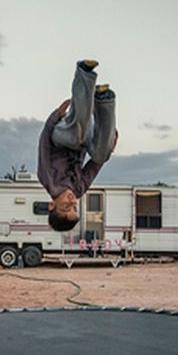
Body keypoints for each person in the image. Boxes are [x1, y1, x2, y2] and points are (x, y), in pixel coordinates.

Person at [38, 60, 118, 232]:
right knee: (102, 156)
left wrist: (55, 116)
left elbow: (43, 144)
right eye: (74, 207)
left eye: (66, 207)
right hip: (81, 139)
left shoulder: (47, 179)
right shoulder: (79, 189)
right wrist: (108, 144)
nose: (72, 202)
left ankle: (84, 73)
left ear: (52, 205)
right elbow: (94, 166)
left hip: (61, 135)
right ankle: (104, 99)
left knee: (75, 137)